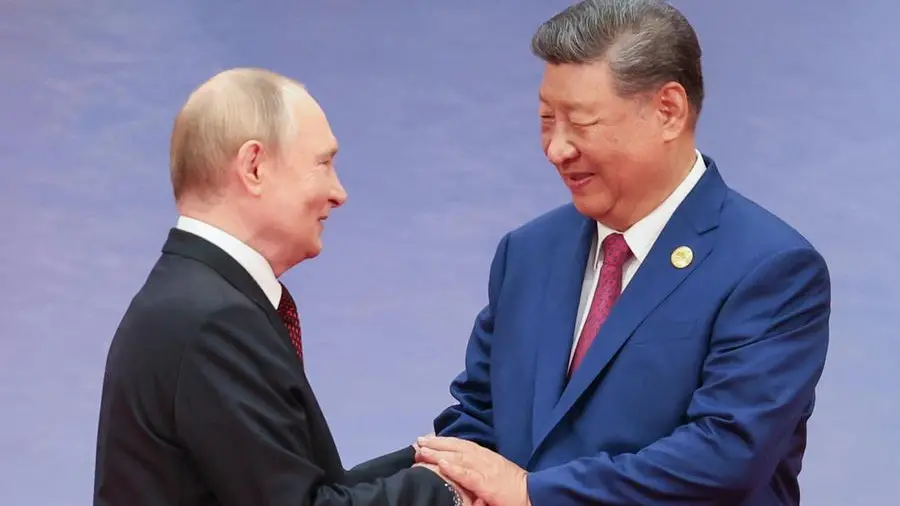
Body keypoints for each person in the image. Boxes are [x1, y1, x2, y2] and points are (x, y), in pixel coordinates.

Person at [415, 1, 831, 505]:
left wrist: (532, 493)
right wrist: (455, 480)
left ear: (668, 111)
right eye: (546, 119)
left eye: (581, 123)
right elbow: (478, 415)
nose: (556, 149)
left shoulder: (770, 268)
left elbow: (726, 453)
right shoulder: (526, 254)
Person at [93, 68, 470, 506]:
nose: (339, 193)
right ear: (254, 167)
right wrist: (447, 491)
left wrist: (438, 463)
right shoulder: (215, 322)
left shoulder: (190, 299)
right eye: (323, 164)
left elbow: (294, 486)